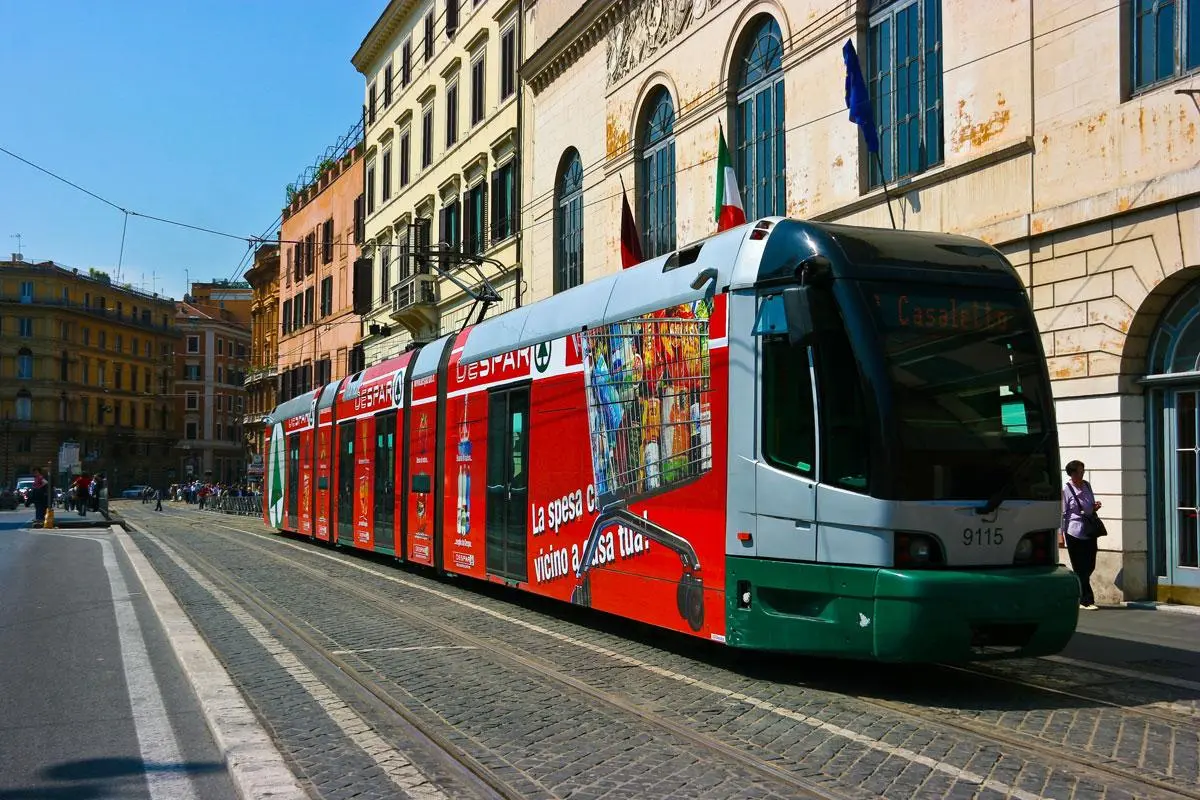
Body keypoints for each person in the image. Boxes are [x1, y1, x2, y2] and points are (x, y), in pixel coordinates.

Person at [1061, 459, 1102, 610]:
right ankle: (1086, 600)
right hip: (1074, 531)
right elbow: (1062, 514)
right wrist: (1061, 535)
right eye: (1079, 471)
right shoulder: (1066, 490)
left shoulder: (1087, 486)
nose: (1082, 473)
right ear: (1072, 474)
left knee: (1090, 564)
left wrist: (1094, 507)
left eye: (1083, 470)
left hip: (1089, 530)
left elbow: (1088, 506)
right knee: (1079, 566)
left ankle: (1078, 594)